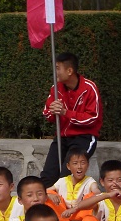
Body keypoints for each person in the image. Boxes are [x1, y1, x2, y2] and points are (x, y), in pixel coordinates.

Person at [40, 52, 102, 188]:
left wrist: (65, 113)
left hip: (84, 137)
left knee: (67, 175)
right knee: (47, 176)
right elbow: (47, 114)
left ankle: (69, 201)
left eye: (58, 68)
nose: (55, 72)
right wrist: (52, 111)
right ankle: (47, 201)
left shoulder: (89, 88)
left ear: (69, 71)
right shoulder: (55, 88)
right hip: (61, 137)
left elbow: (92, 117)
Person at [47, 148, 100, 221]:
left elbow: (97, 192)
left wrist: (95, 195)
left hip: (79, 218)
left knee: (93, 199)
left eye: (83, 163)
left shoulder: (89, 181)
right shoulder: (63, 181)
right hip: (63, 215)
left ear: (88, 165)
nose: (79, 167)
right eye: (75, 163)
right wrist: (49, 195)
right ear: (68, 166)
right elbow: (44, 191)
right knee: (48, 195)